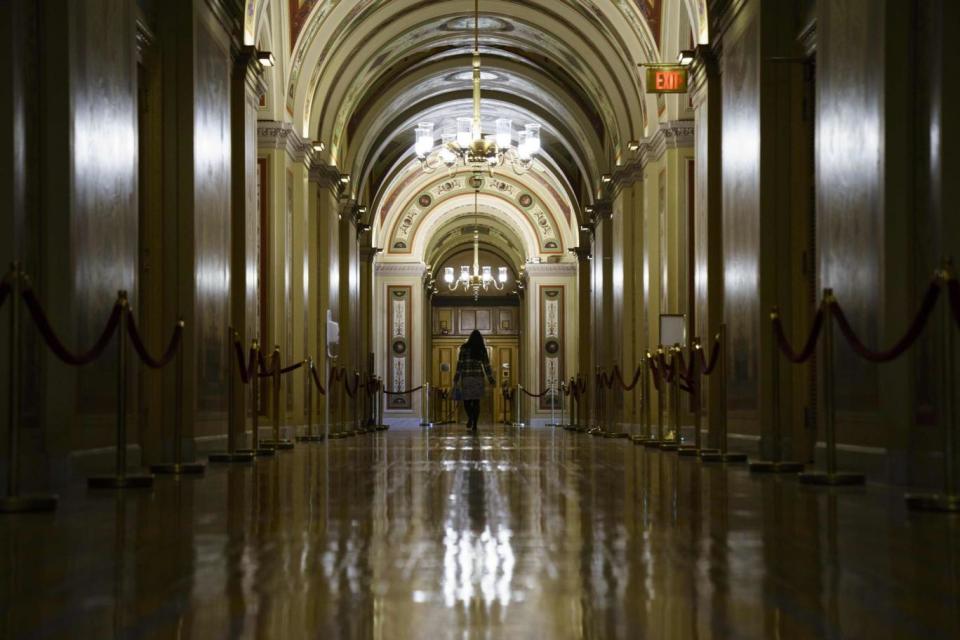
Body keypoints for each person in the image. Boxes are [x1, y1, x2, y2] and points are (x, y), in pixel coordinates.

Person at [453, 329, 496, 431]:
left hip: (467, 378)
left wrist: (456, 378)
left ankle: (470, 418)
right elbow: (486, 366)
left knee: (466, 401)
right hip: (478, 378)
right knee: (476, 402)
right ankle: (475, 424)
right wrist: (491, 379)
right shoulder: (482, 349)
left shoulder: (464, 348)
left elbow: (460, 364)